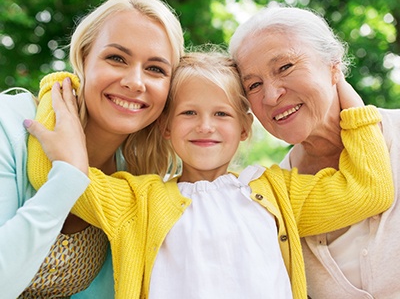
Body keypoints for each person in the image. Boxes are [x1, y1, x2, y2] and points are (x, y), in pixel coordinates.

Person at [25, 49, 393, 299]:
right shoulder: (136, 202)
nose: (205, 126)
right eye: (188, 114)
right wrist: (60, 87)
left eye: (221, 114)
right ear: (166, 126)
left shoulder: (279, 192)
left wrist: (348, 98)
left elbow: (370, 190)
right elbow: (50, 175)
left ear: (245, 127)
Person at [0, 0, 184, 298]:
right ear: (84, 58)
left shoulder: (134, 180)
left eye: (155, 69)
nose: (135, 82)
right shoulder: (9, 126)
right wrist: (69, 176)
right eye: (116, 58)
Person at [229, 4, 399, 298]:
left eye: (285, 67)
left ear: (334, 65)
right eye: (254, 85)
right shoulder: (275, 197)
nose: (270, 96)